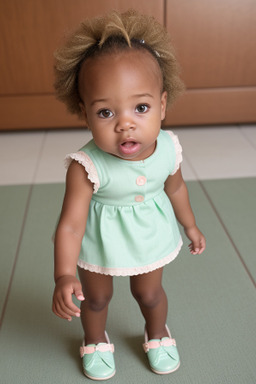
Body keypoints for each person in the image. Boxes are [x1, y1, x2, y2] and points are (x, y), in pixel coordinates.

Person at [52, 9, 206, 381]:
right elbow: (71, 226)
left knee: (150, 294)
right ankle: (94, 340)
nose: (125, 123)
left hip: (150, 232)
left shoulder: (169, 149)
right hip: (99, 241)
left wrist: (190, 225)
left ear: (163, 104)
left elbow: (175, 187)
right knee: (97, 298)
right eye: (106, 111)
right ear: (85, 115)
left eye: (141, 107)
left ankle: (157, 333)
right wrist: (62, 275)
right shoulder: (86, 166)